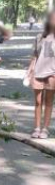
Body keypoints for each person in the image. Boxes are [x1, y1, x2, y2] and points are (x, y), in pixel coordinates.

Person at [27, 11, 55, 139]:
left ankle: (45, 129)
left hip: (52, 74)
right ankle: (37, 127)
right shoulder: (39, 37)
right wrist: (30, 71)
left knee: (49, 102)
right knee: (38, 102)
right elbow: (34, 56)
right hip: (38, 72)